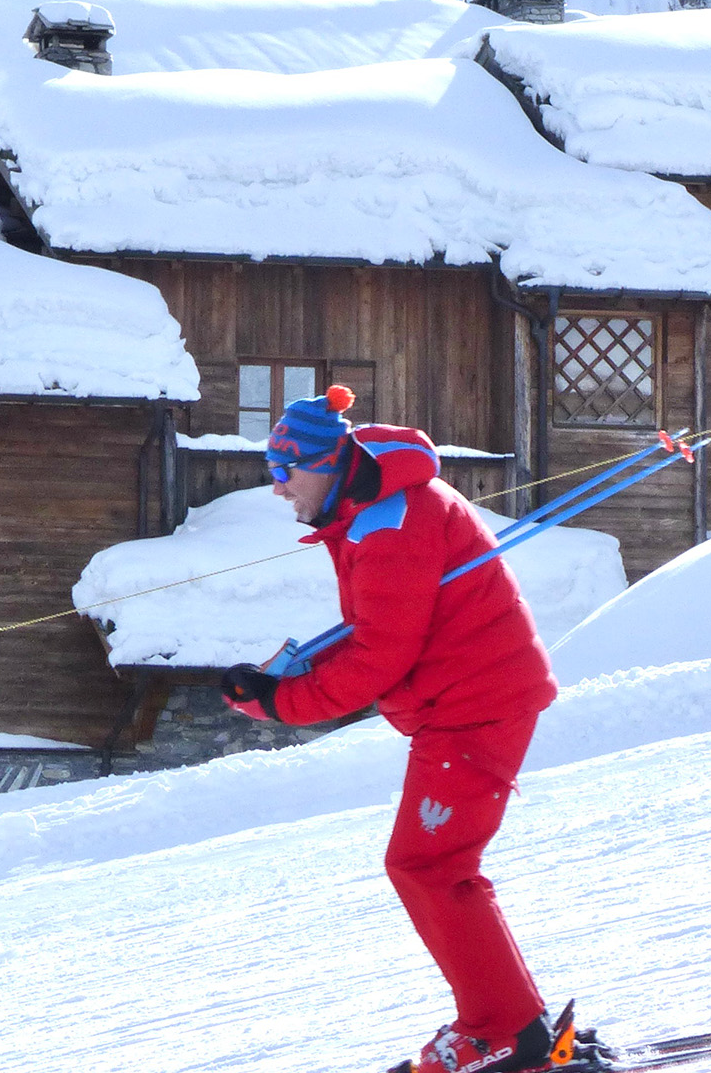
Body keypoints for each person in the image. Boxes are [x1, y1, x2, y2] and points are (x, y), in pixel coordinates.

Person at [222, 384, 568, 1073]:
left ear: (323, 463)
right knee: (434, 865)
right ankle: (510, 1025)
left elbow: (380, 657)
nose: (277, 488)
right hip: (465, 700)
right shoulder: (376, 508)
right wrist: (282, 681)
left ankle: (503, 1033)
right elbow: (381, 630)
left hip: (476, 704)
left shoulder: (388, 524)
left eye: (283, 471)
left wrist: (279, 705)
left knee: (430, 865)